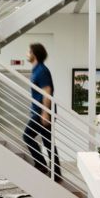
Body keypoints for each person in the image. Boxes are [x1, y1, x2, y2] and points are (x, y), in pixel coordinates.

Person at [23, 43, 61, 181]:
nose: (27, 53)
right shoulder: (36, 70)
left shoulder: (42, 70)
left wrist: (45, 113)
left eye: (29, 51)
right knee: (48, 142)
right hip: (39, 111)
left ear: (34, 53)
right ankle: (56, 174)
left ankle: (41, 165)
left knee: (27, 136)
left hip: (42, 112)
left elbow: (47, 92)